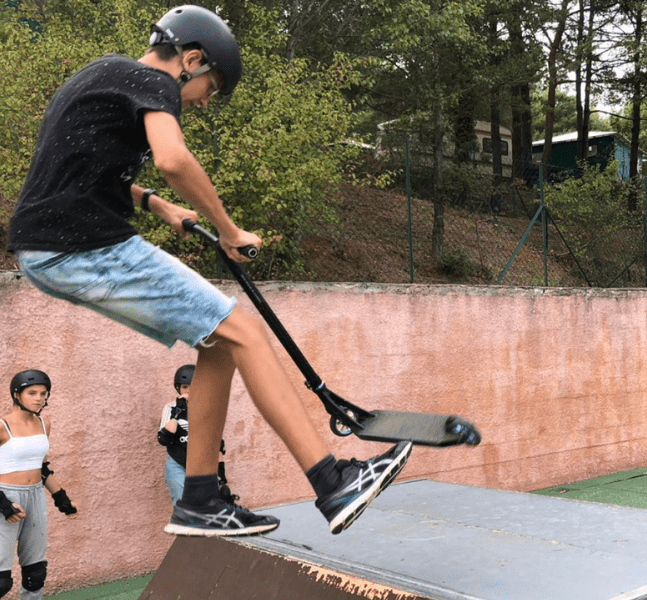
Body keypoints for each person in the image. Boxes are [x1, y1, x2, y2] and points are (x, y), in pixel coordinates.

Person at [7, 5, 411, 537]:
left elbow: (78, 167)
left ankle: (200, 499)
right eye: (211, 88)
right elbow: (174, 159)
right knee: (243, 329)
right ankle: (334, 481)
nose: (203, 102)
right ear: (192, 60)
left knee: (217, 341)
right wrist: (228, 228)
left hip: (46, 247)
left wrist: (156, 204)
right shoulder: (154, 81)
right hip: (84, 244)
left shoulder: (101, 76)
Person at [0, 370, 77, 600]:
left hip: (35, 497)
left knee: (35, 573)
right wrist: (4, 505)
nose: (39, 398)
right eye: (32, 393)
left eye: (43, 394)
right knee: (1, 581)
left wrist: (61, 497)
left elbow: (41, 467)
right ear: (16, 394)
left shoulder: (44, 423)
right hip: (6, 497)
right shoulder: (3, 425)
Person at [158, 365, 237, 505]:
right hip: (178, 464)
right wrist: (178, 411)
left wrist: (221, 477)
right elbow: (164, 439)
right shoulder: (170, 408)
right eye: (185, 387)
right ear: (178, 388)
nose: (189, 390)